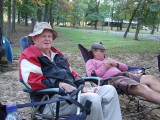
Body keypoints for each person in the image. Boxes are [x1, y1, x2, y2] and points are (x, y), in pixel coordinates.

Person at [19, 22, 122, 120]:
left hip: (73, 94)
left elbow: (72, 74)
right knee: (92, 100)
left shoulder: (58, 55)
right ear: (34, 38)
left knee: (110, 90)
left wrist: (81, 86)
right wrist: (60, 85)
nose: (47, 39)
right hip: (51, 101)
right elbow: (32, 81)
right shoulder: (29, 55)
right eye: (43, 36)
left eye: (49, 36)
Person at [86, 43, 160, 104]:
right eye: (102, 51)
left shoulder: (108, 59)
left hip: (124, 74)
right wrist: (104, 67)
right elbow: (92, 75)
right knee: (142, 88)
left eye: (104, 51)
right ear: (95, 52)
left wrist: (116, 64)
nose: (104, 53)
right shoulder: (91, 62)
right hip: (113, 80)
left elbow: (125, 68)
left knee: (150, 78)